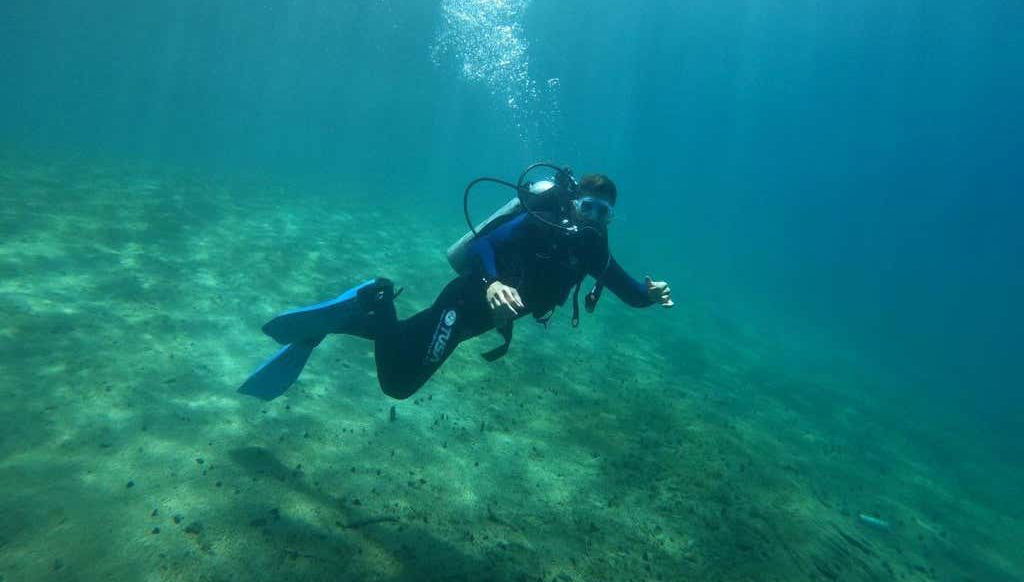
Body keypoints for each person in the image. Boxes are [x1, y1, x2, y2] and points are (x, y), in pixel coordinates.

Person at [238, 171, 673, 401]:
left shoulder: (593, 250)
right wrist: (491, 282)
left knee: (404, 343)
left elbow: (628, 291)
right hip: (465, 303)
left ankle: (345, 318)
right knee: (399, 385)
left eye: (604, 213)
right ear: (574, 203)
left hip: (474, 321)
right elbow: (486, 242)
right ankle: (376, 298)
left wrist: (649, 296)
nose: (594, 218)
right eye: (589, 207)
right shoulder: (542, 224)